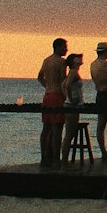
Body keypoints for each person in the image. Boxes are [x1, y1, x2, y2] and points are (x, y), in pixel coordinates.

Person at [37, 37, 69, 166]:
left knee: (46, 127)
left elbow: (39, 77)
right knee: (57, 128)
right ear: (58, 47)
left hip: (47, 95)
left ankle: (44, 157)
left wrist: (47, 85)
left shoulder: (46, 60)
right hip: (57, 96)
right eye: (64, 46)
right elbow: (63, 80)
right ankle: (56, 159)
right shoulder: (61, 62)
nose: (66, 49)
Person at [59, 51, 85, 164]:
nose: (80, 60)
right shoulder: (74, 72)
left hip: (69, 104)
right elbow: (68, 85)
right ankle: (64, 160)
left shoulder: (71, 72)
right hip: (72, 106)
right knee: (70, 133)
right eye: (77, 59)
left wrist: (66, 96)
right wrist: (71, 98)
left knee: (69, 133)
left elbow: (62, 85)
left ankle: (64, 158)